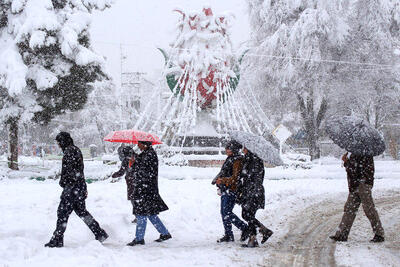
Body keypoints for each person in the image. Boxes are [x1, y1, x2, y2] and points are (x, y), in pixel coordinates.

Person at [45, 132, 108, 248]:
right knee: (82, 212)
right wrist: (82, 187)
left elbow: (70, 172)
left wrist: (64, 183)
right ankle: (100, 233)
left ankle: (57, 239)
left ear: (63, 141)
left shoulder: (69, 151)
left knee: (62, 213)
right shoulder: (76, 150)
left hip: (72, 189)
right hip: (78, 187)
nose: (58, 144)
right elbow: (79, 171)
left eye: (59, 142)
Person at [330, 152, 384, 242]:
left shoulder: (362, 153)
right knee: (349, 209)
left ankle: (379, 233)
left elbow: (355, 170)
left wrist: (346, 162)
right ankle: (342, 234)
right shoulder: (356, 152)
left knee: (369, 209)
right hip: (355, 185)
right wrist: (348, 161)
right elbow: (354, 169)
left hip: (363, 184)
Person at [127, 141, 172, 246]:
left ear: (145, 144)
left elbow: (145, 172)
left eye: (139, 143)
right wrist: (134, 162)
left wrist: (135, 166)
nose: (138, 145)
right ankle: (164, 233)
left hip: (145, 190)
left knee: (141, 213)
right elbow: (141, 168)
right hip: (148, 189)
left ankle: (139, 238)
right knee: (151, 214)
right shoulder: (146, 154)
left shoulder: (149, 155)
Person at [212, 140, 248, 243]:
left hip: (231, 190)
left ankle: (243, 228)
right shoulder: (231, 159)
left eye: (228, 148)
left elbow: (235, 178)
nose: (226, 150)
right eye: (226, 148)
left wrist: (222, 180)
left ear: (234, 149)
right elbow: (224, 172)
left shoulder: (237, 160)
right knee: (225, 212)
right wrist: (217, 180)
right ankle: (229, 234)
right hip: (226, 189)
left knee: (226, 212)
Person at [237, 147, 273, 247]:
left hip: (254, 192)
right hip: (249, 191)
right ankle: (254, 239)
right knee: (248, 215)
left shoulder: (255, 160)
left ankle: (262, 232)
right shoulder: (248, 159)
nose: (242, 149)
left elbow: (257, 178)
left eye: (244, 148)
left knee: (247, 214)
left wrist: (246, 175)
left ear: (249, 149)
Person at [112, 146, 137, 222]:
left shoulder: (126, 160)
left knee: (134, 200)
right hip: (139, 182)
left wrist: (114, 175)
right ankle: (141, 215)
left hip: (131, 183)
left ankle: (139, 217)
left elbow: (121, 172)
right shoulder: (138, 157)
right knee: (138, 199)